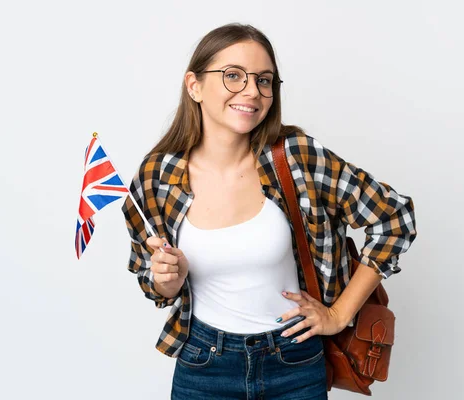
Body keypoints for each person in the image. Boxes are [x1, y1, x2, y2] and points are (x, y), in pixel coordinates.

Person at [121, 23, 417, 400]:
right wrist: (165, 281)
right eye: (233, 76)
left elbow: (395, 219)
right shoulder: (156, 177)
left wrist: (338, 315)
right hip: (204, 365)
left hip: (293, 362)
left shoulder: (295, 157)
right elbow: (152, 281)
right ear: (194, 85)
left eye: (264, 80)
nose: (252, 91)